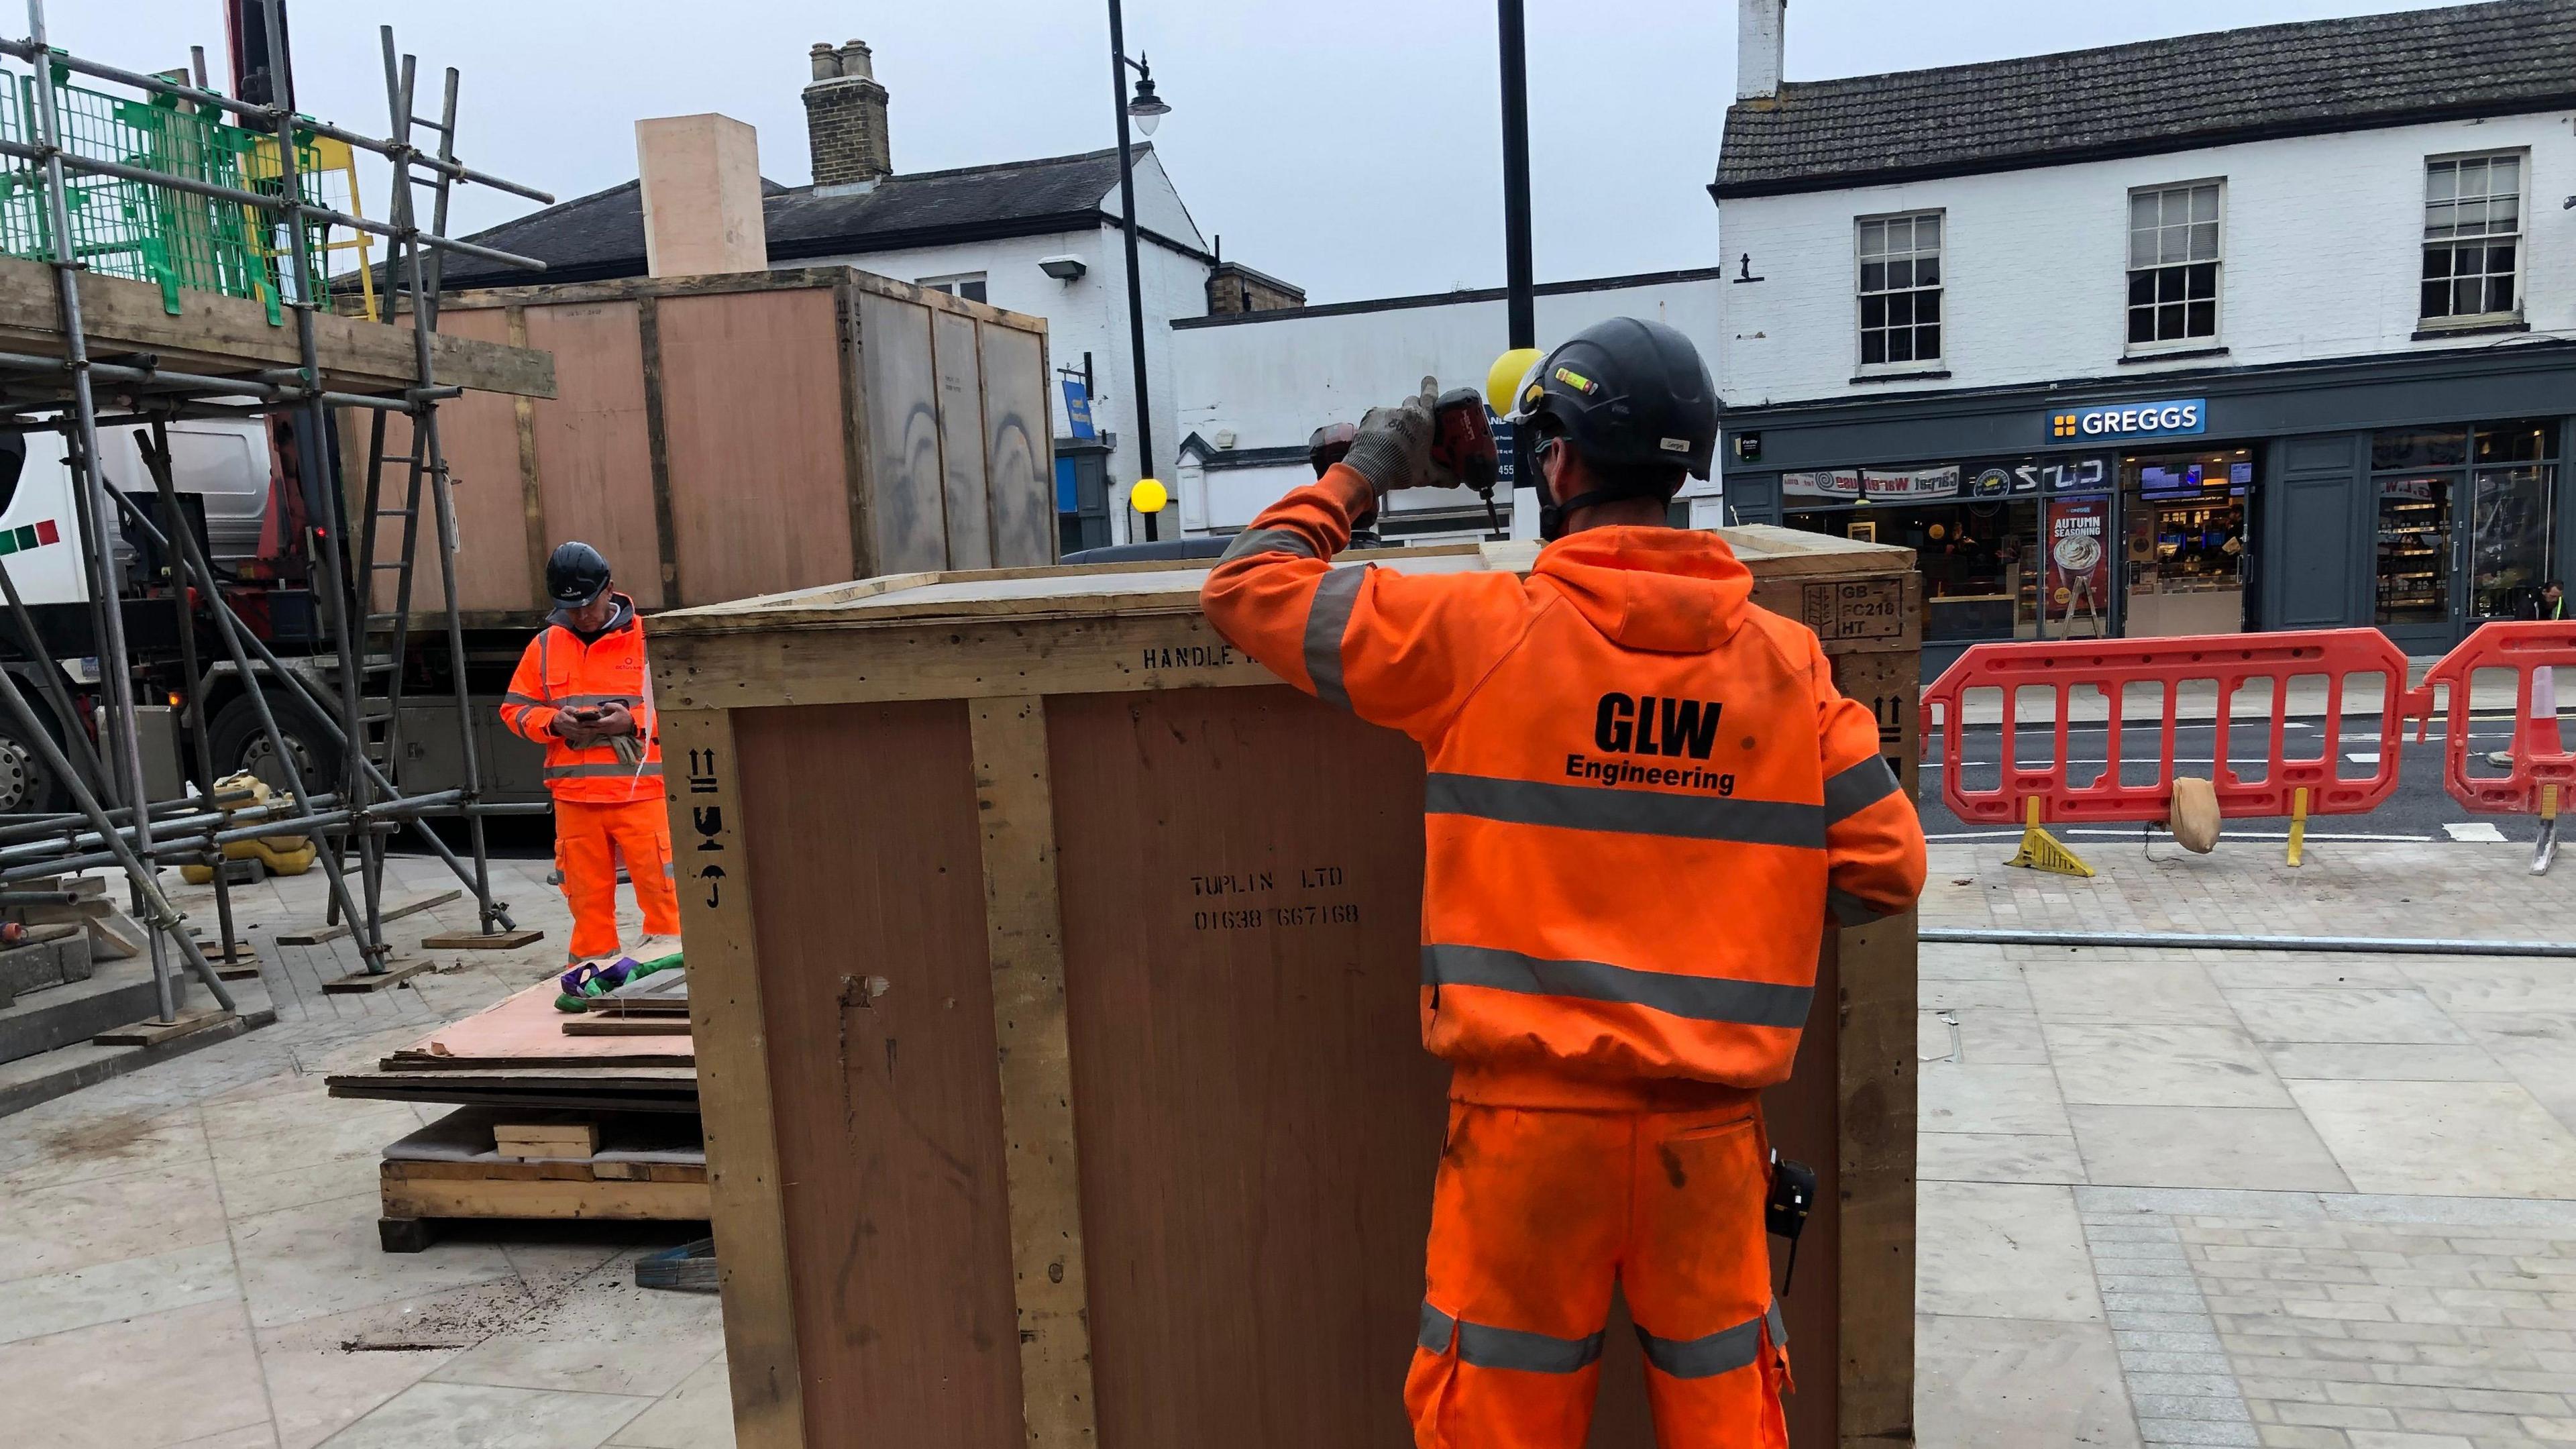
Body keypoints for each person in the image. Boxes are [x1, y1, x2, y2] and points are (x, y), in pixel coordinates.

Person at [1199, 318, 1926, 1449]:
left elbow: (1249, 589)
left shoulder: (1477, 634)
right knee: (1731, 1423)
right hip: (1708, 1145)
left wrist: (1366, 469)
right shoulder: (1787, 669)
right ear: (1683, 470)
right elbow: (1887, 865)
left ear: (1563, 463)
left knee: (1496, 1422)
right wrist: (1729, 880)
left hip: (1526, 1145)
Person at [500, 541, 682, 964]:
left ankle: (674, 973)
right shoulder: (546, 646)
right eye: (571, 607)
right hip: (575, 801)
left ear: (610, 590)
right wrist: (552, 722)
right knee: (586, 900)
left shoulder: (650, 642)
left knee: (664, 893)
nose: (582, 616)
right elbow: (514, 710)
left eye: (588, 604)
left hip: (642, 794)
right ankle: (591, 972)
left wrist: (632, 721)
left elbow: (684, 707)